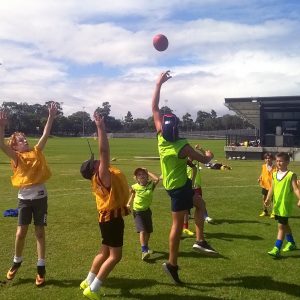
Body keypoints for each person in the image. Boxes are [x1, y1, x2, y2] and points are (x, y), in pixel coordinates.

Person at [152, 70, 216, 284]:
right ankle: (172, 265)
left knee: (200, 204)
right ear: (177, 129)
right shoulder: (183, 146)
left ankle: (200, 240)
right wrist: (208, 155)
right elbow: (205, 160)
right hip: (179, 189)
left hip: (177, 185)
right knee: (177, 227)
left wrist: (158, 84)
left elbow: (154, 108)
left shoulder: (162, 137)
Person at [0, 103, 57, 286]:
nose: (25, 141)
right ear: (15, 147)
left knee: (40, 232)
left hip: (41, 198)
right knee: (20, 233)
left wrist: (51, 116)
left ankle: (41, 268)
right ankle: (17, 260)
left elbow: (45, 134)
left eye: (25, 138)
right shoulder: (16, 157)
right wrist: (2, 126)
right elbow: (1, 144)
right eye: (21, 140)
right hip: (24, 200)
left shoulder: (37, 151)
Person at [79, 112, 130, 300]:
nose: (98, 161)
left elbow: (103, 156)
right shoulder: (102, 175)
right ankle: (93, 289)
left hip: (105, 219)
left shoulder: (99, 176)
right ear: (94, 169)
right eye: (95, 163)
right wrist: (100, 128)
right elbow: (104, 152)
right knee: (115, 256)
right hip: (112, 219)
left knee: (104, 250)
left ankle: (88, 280)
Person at [265, 152, 300, 258]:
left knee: (281, 226)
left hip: (285, 205)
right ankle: (291, 243)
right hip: (277, 204)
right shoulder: (274, 174)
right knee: (285, 224)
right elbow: (272, 187)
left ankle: (276, 248)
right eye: (277, 160)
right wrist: (268, 198)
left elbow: (295, 189)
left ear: (287, 162)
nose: (278, 163)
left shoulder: (291, 175)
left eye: (281, 161)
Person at [127, 167, 159, 260]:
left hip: (147, 211)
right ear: (136, 178)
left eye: (143, 174)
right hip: (137, 211)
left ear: (146, 176)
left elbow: (157, 179)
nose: (141, 176)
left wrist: (148, 171)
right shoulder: (134, 186)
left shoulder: (150, 185)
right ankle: (144, 251)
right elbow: (132, 195)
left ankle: (146, 246)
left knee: (148, 232)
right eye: (139, 175)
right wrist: (128, 203)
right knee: (142, 230)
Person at [258, 152, 276, 217]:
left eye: (269, 158)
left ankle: (273, 212)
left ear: (272, 159)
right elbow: (262, 173)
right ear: (265, 159)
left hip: (272, 186)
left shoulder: (275, 167)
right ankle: (265, 211)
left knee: (272, 199)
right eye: (266, 158)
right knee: (264, 198)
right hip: (265, 185)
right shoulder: (263, 166)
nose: (268, 159)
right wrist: (260, 178)